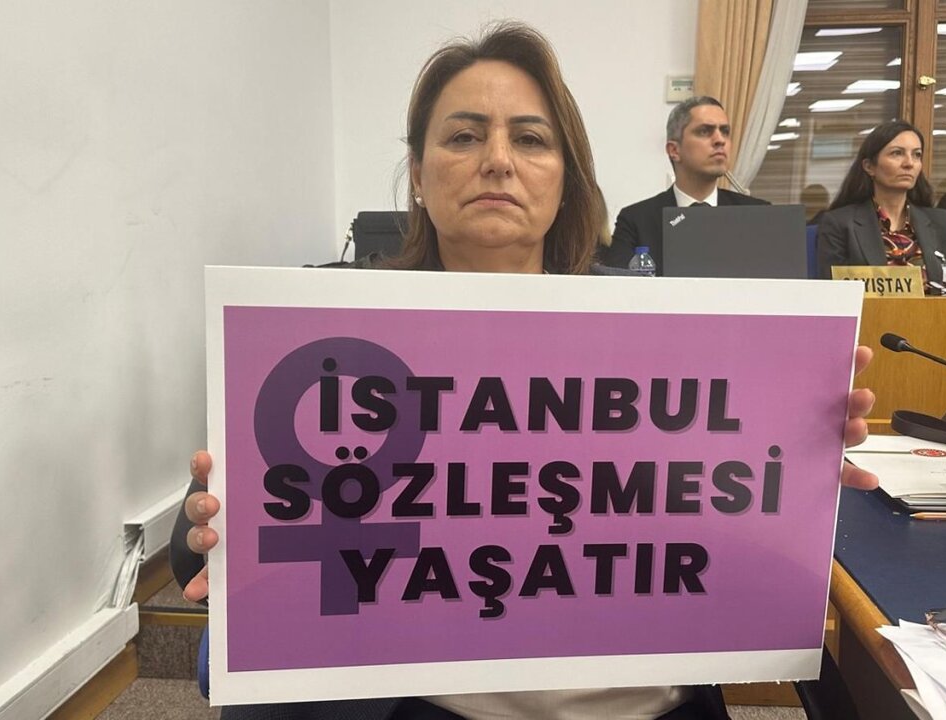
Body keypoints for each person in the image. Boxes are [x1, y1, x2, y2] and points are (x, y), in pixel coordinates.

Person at [173, 22, 878, 720]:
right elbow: (208, 543)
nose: (498, 161)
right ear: (417, 174)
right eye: (463, 136)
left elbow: (712, 526)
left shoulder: (671, 337)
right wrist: (212, 519)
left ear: (565, 177)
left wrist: (794, 472)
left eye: (531, 139)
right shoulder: (329, 331)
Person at [598, 96, 769, 273]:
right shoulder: (636, 221)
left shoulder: (759, 215)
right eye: (705, 131)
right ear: (674, 150)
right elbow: (617, 285)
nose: (720, 140)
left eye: (725, 131)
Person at [815, 121, 946, 290]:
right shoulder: (839, 224)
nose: (909, 163)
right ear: (869, 166)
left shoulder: (943, 223)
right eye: (897, 153)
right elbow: (834, 292)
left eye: (917, 155)